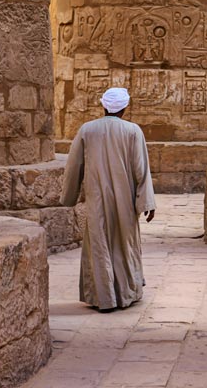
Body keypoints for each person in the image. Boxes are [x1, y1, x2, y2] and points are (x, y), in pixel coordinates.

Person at [60, 87, 156, 312]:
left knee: (100, 244)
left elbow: (74, 166)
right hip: (125, 200)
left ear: (103, 106)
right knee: (125, 244)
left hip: (97, 199)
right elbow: (141, 169)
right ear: (124, 108)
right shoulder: (133, 131)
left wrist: (69, 197)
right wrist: (147, 203)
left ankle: (104, 298)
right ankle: (126, 294)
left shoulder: (87, 130)